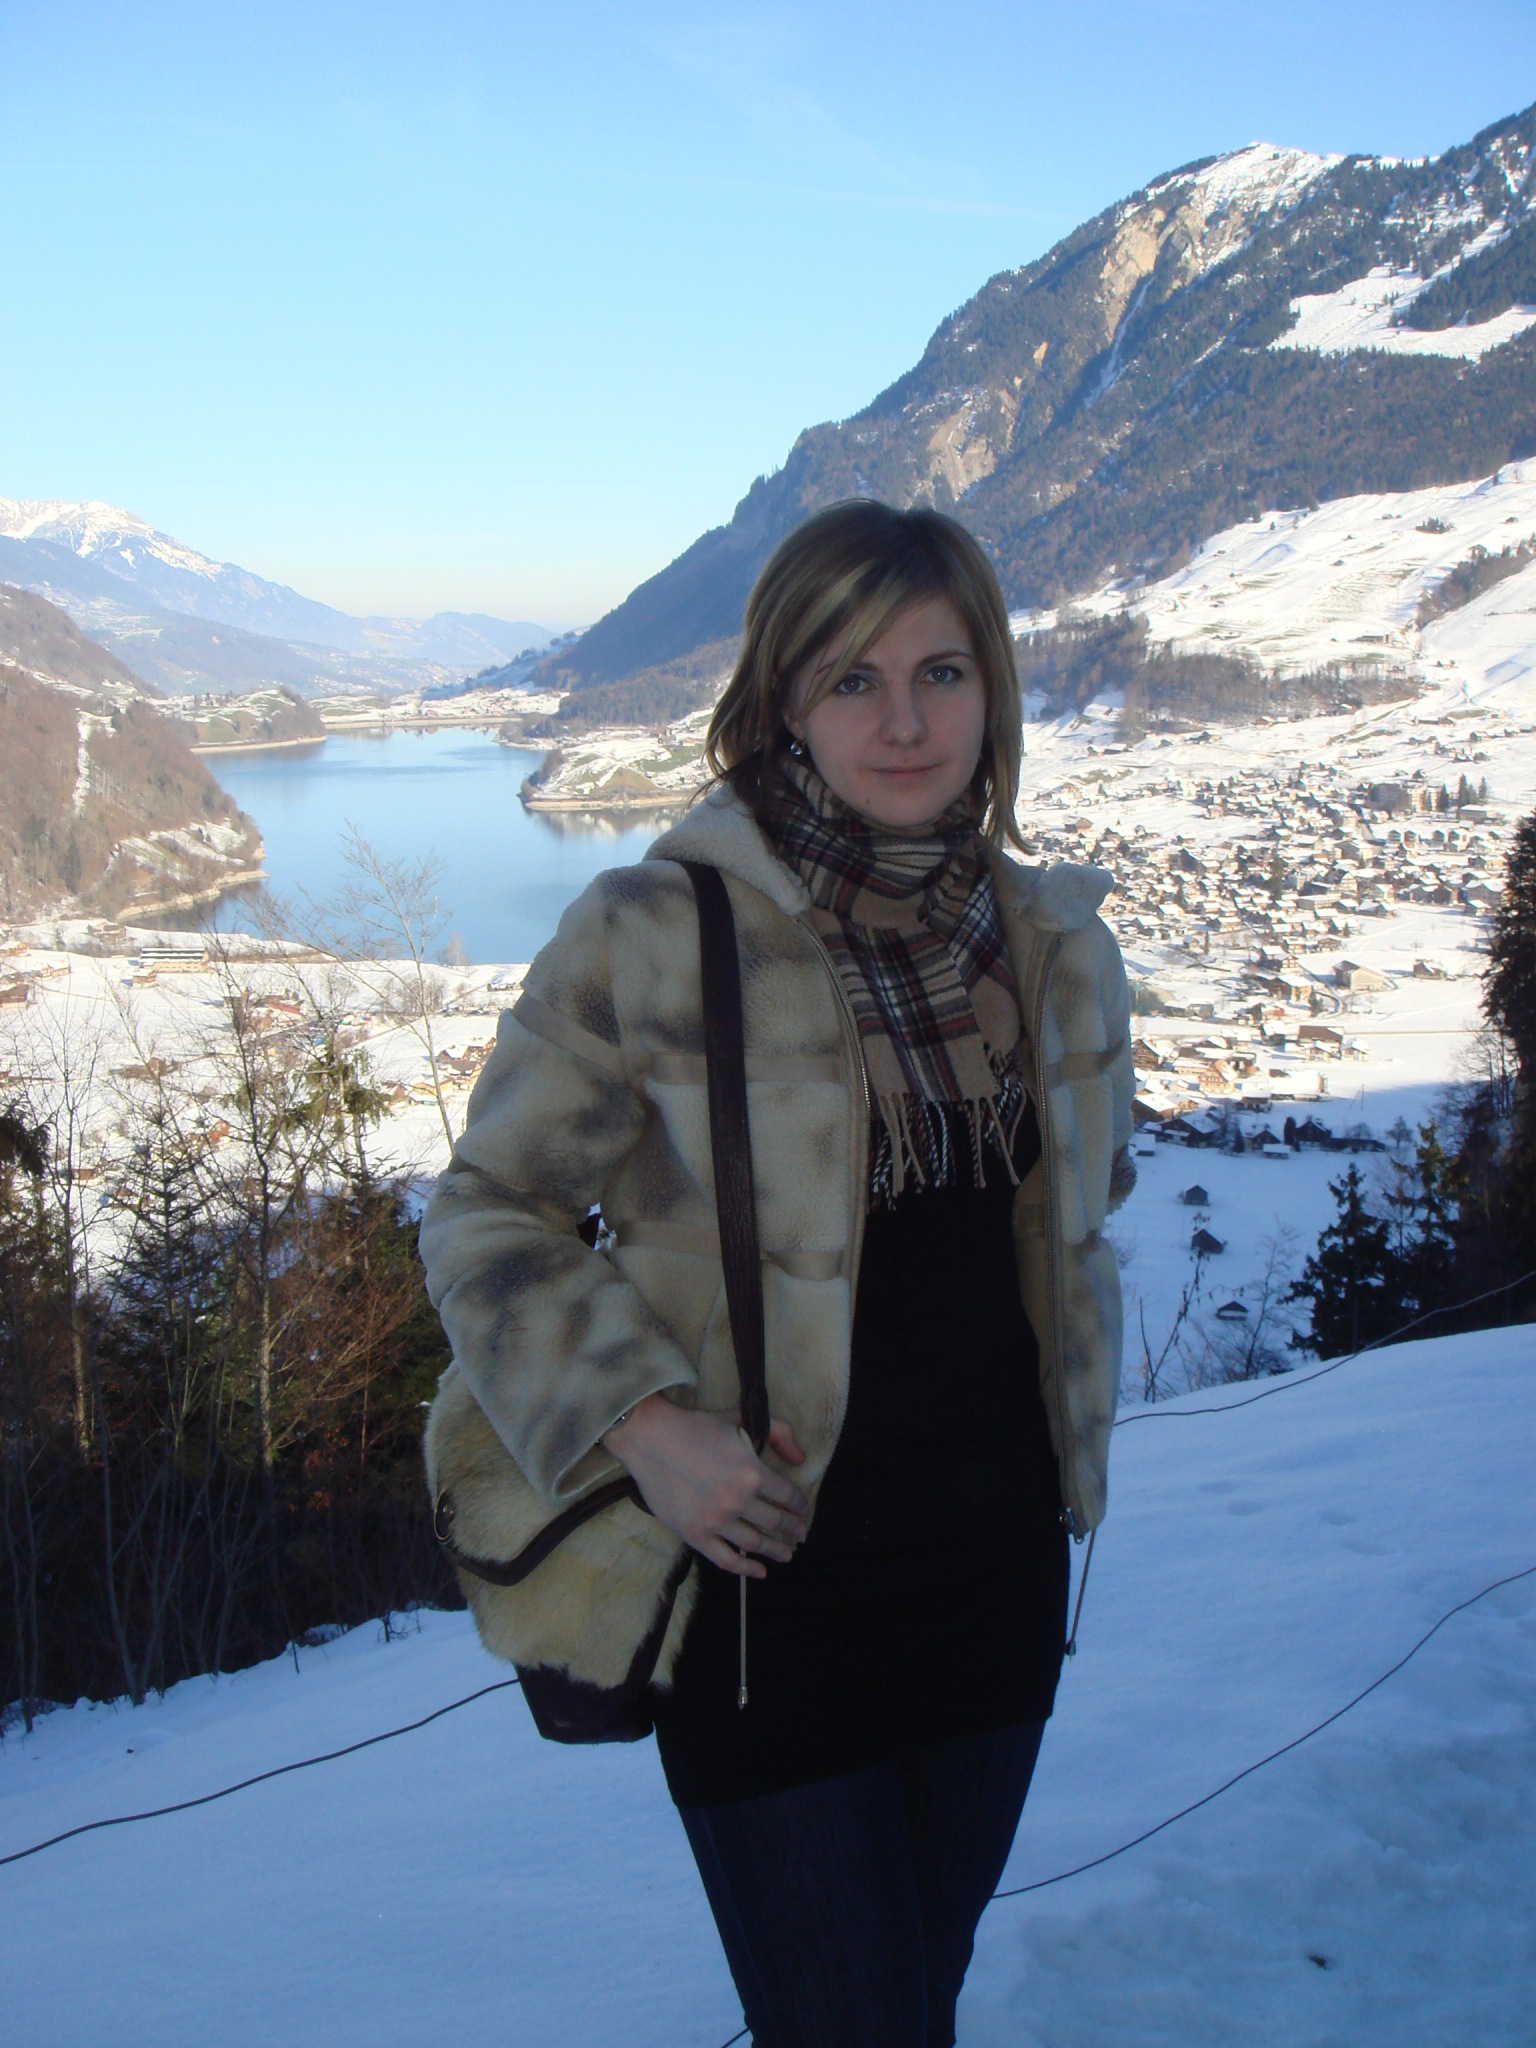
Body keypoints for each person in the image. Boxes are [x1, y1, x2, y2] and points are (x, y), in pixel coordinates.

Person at [419, 500, 1134, 2048]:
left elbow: (1069, 1223)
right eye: (851, 679)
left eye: (941, 674)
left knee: (915, 2006)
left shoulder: (1048, 941)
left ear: (995, 691)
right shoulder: (656, 932)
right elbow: (485, 1212)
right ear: (782, 701)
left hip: (996, 1584)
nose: (904, 722)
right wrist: (646, 1428)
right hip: (767, 1607)